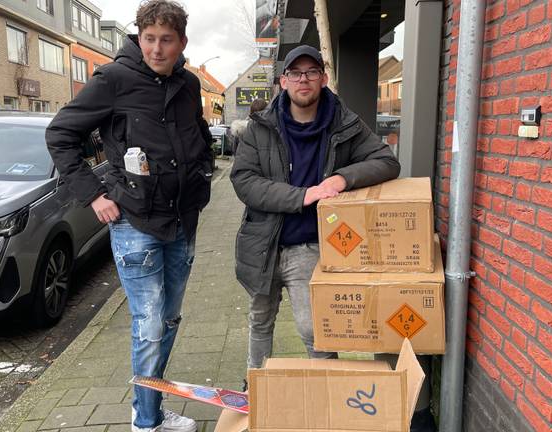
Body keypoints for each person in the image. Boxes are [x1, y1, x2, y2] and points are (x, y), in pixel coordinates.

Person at [45, 1, 213, 431]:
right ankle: (145, 423)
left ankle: (151, 409)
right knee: (150, 323)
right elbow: (61, 135)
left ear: (182, 43)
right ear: (139, 37)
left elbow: (197, 135)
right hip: (135, 221)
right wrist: (95, 195)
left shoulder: (191, 85)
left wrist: (203, 174)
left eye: (166, 40)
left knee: (169, 320)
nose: (156, 49)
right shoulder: (114, 79)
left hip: (182, 221)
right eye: (149, 39)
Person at [230, 45, 401, 372]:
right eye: (295, 73)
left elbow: (386, 161)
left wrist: (341, 178)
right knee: (260, 320)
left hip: (309, 245)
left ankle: (327, 391)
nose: (303, 79)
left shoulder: (345, 124)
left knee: (317, 329)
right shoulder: (259, 127)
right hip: (262, 243)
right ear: (284, 81)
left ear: (323, 79)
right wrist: (303, 196)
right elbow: (244, 181)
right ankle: (255, 387)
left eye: (311, 72)